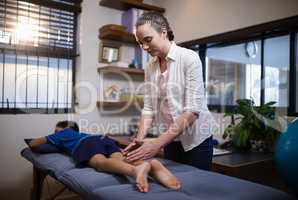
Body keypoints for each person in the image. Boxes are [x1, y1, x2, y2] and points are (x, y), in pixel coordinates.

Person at [123, 11, 219, 170]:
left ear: (163, 32)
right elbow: (149, 108)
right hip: (170, 139)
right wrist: (139, 141)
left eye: (148, 40)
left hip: (196, 140)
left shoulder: (189, 58)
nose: (145, 47)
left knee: (195, 188)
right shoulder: (150, 67)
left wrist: (156, 144)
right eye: (141, 43)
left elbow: (192, 112)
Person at [29, 120, 180, 193]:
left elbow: (34, 144)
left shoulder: (62, 134)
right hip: (103, 139)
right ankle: (150, 165)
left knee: (100, 162)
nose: (56, 134)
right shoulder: (81, 133)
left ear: (63, 130)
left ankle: (136, 171)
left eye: (57, 131)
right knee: (118, 160)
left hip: (86, 145)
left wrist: (51, 138)